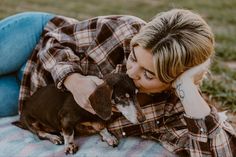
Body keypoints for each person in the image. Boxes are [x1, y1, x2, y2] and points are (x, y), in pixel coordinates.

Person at [0, 9, 235, 156]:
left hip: (28, 99)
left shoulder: (173, 108)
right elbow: (57, 39)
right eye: (133, 57)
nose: (132, 72)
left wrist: (187, 88)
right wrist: (73, 79)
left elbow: (220, 153)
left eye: (148, 74)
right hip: (33, 43)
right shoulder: (124, 29)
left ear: (174, 81)